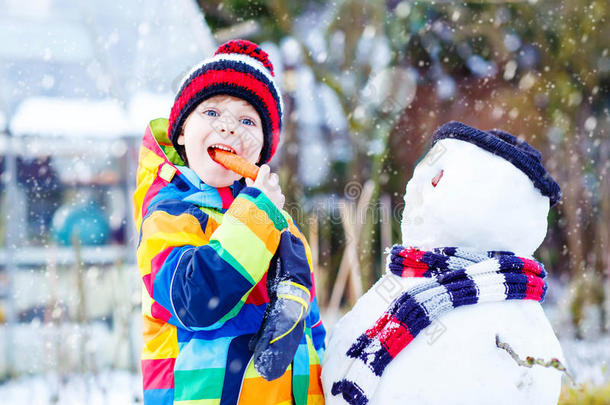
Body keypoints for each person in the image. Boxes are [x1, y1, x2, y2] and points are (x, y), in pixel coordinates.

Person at [133, 40, 326, 405]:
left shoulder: (281, 226)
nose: (228, 129)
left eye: (247, 121)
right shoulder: (169, 214)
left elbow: (311, 328)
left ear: (264, 149)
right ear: (181, 134)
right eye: (211, 113)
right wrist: (256, 215)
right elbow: (196, 300)